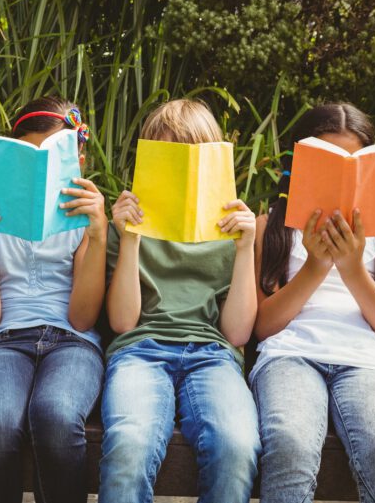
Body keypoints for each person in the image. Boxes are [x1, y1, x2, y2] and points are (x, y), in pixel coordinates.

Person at [99, 99, 261, 503]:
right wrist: (132, 238)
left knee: (236, 446)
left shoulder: (229, 230)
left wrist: (245, 250)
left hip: (212, 354)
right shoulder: (125, 224)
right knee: (129, 444)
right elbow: (122, 322)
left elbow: (238, 332)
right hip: (139, 350)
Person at [0, 96, 107, 503]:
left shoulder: (85, 219)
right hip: (5, 339)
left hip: (72, 342)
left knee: (57, 417)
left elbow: (82, 318)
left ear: (79, 153)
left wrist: (98, 234)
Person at [251, 103, 375, 503]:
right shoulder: (271, 227)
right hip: (289, 354)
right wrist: (315, 266)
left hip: (365, 359)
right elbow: (263, 326)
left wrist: (351, 269)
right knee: (289, 444)